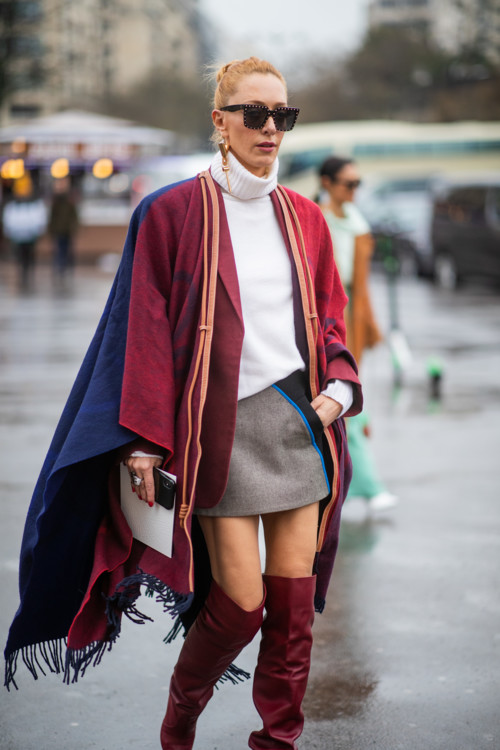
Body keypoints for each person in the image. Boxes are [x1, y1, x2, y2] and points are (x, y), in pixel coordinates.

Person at [4, 58, 363, 750]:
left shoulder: (306, 218)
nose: (270, 128)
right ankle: (180, 723)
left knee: (293, 611)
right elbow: (140, 332)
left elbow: (329, 317)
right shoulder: (169, 212)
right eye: (254, 113)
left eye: (283, 115)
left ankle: (277, 740)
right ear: (219, 121)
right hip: (216, 431)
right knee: (241, 607)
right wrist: (144, 439)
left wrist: (339, 389)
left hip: (298, 421)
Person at [318, 156, 398, 512]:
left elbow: (362, 287)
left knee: (348, 394)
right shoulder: (315, 218)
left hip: (353, 315)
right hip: (326, 317)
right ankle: (363, 483)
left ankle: (355, 484)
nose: (354, 190)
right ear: (327, 183)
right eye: (348, 184)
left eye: (357, 183)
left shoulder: (357, 222)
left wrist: (372, 326)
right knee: (339, 395)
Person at [2, 173, 47, 290]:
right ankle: (23, 272)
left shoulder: (34, 202)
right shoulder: (13, 203)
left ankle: (28, 272)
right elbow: (9, 218)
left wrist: (38, 229)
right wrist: (10, 231)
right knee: (21, 254)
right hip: (18, 235)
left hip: (30, 234)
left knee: (29, 254)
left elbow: (39, 217)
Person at [48, 176, 79, 282]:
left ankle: (66, 267)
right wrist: (51, 229)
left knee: (67, 249)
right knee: (59, 250)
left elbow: (74, 215)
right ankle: (60, 268)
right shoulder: (55, 199)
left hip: (67, 229)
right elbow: (52, 216)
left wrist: (74, 227)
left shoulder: (70, 199)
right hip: (58, 230)